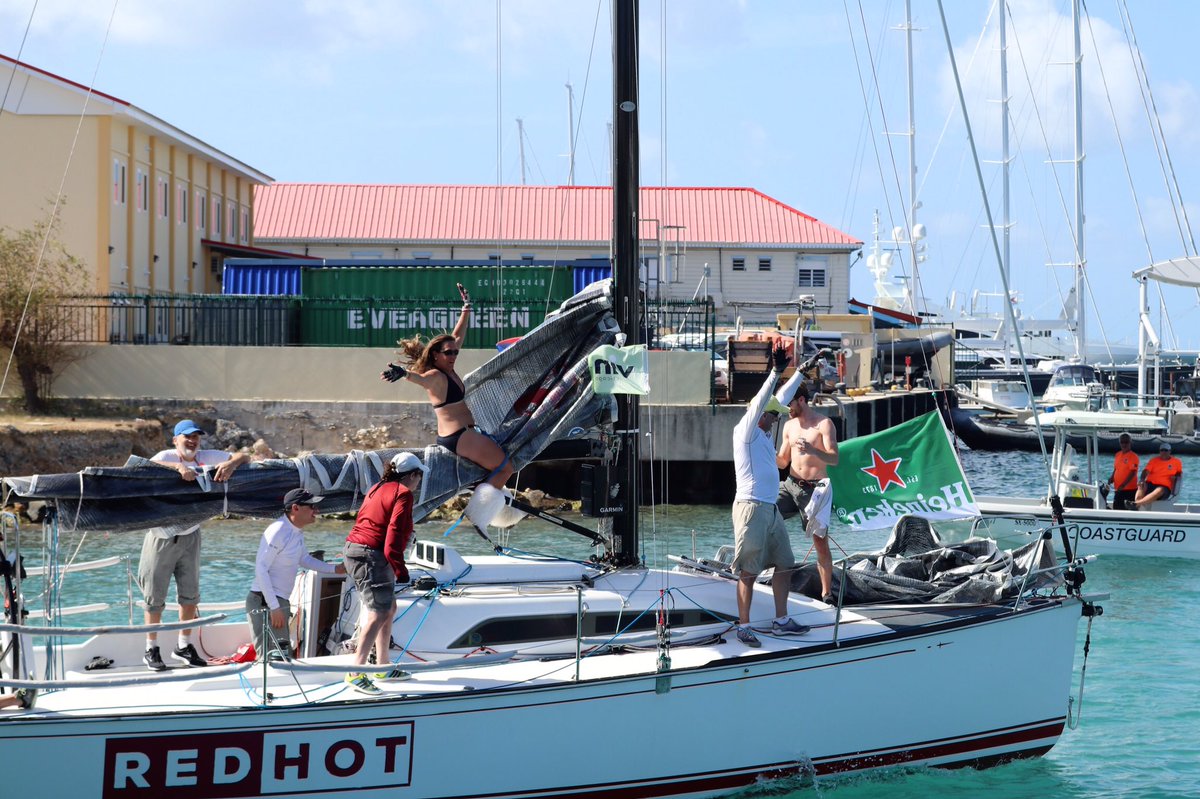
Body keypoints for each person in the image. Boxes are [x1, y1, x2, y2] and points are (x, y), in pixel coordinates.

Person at [379, 298, 514, 527]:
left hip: (465, 434)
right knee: (505, 468)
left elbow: (457, 336)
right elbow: (419, 379)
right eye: (448, 353)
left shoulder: (448, 366)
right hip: (460, 436)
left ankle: (482, 501)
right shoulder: (436, 376)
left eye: (455, 353)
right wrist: (403, 374)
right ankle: (478, 515)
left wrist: (467, 310)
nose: (453, 356)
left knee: (495, 466)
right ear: (436, 355)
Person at [140, 420, 249, 671]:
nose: (192, 441)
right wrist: (178, 467)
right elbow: (143, 465)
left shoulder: (205, 456)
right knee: (154, 597)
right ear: (175, 439)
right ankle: (150, 649)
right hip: (162, 536)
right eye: (187, 437)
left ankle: (183, 645)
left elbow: (245, 456)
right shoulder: (166, 455)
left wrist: (231, 463)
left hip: (191, 534)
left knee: (190, 596)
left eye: (196, 437)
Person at [730, 343, 811, 648]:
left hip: (770, 508)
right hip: (751, 508)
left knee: (785, 562)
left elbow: (782, 397)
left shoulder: (763, 435)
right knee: (749, 570)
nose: (778, 419)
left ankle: (780, 621)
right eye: (773, 415)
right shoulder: (747, 431)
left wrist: (801, 370)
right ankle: (744, 625)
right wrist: (775, 371)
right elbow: (764, 399)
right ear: (760, 415)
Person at [342, 452, 427, 695]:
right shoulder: (403, 493)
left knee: (388, 608)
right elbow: (392, 537)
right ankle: (356, 672)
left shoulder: (377, 487)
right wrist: (400, 568)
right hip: (371, 554)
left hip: (357, 551)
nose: (418, 482)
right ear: (412, 475)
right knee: (378, 612)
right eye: (418, 476)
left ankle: (382, 665)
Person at [247, 488, 346, 661]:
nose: (317, 511)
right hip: (265, 602)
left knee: (282, 656)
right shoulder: (278, 530)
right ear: (295, 508)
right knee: (272, 658)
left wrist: (334, 569)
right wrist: (274, 607)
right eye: (312, 506)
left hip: (278, 601)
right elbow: (261, 568)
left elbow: (304, 559)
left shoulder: (295, 532)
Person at [776, 377, 840, 604]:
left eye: (789, 404)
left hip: (814, 490)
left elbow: (834, 459)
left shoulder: (823, 424)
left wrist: (814, 450)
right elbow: (782, 462)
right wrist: (760, 449)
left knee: (819, 541)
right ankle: (752, 567)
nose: (787, 409)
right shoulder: (789, 425)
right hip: (790, 484)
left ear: (801, 400)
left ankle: (827, 593)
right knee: (763, 512)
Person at [1133, 442, 1183, 509]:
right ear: (1159, 451)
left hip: (1165, 488)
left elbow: (1179, 473)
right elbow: (1145, 471)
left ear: (1170, 451)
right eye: (1162, 450)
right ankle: (1137, 506)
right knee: (1141, 485)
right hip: (1150, 484)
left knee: (1159, 490)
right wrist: (1142, 479)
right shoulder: (1154, 460)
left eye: (1166, 450)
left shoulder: (1176, 462)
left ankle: (1136, 504)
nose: (1163, 452)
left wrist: (1176, 477)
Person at [1108, 433, 1139, 509]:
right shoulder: (1118, 455)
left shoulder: (1133, 456)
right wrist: (1112, 478)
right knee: (1116, 509)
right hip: (1118, 489)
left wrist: (1123, 485)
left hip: (1129, 490)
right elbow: (1116, 469)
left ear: (1130, 443)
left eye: (1126, 442)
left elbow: (1133, 472)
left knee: (1128, 512)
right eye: (1122, 442)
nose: (1124, 444)